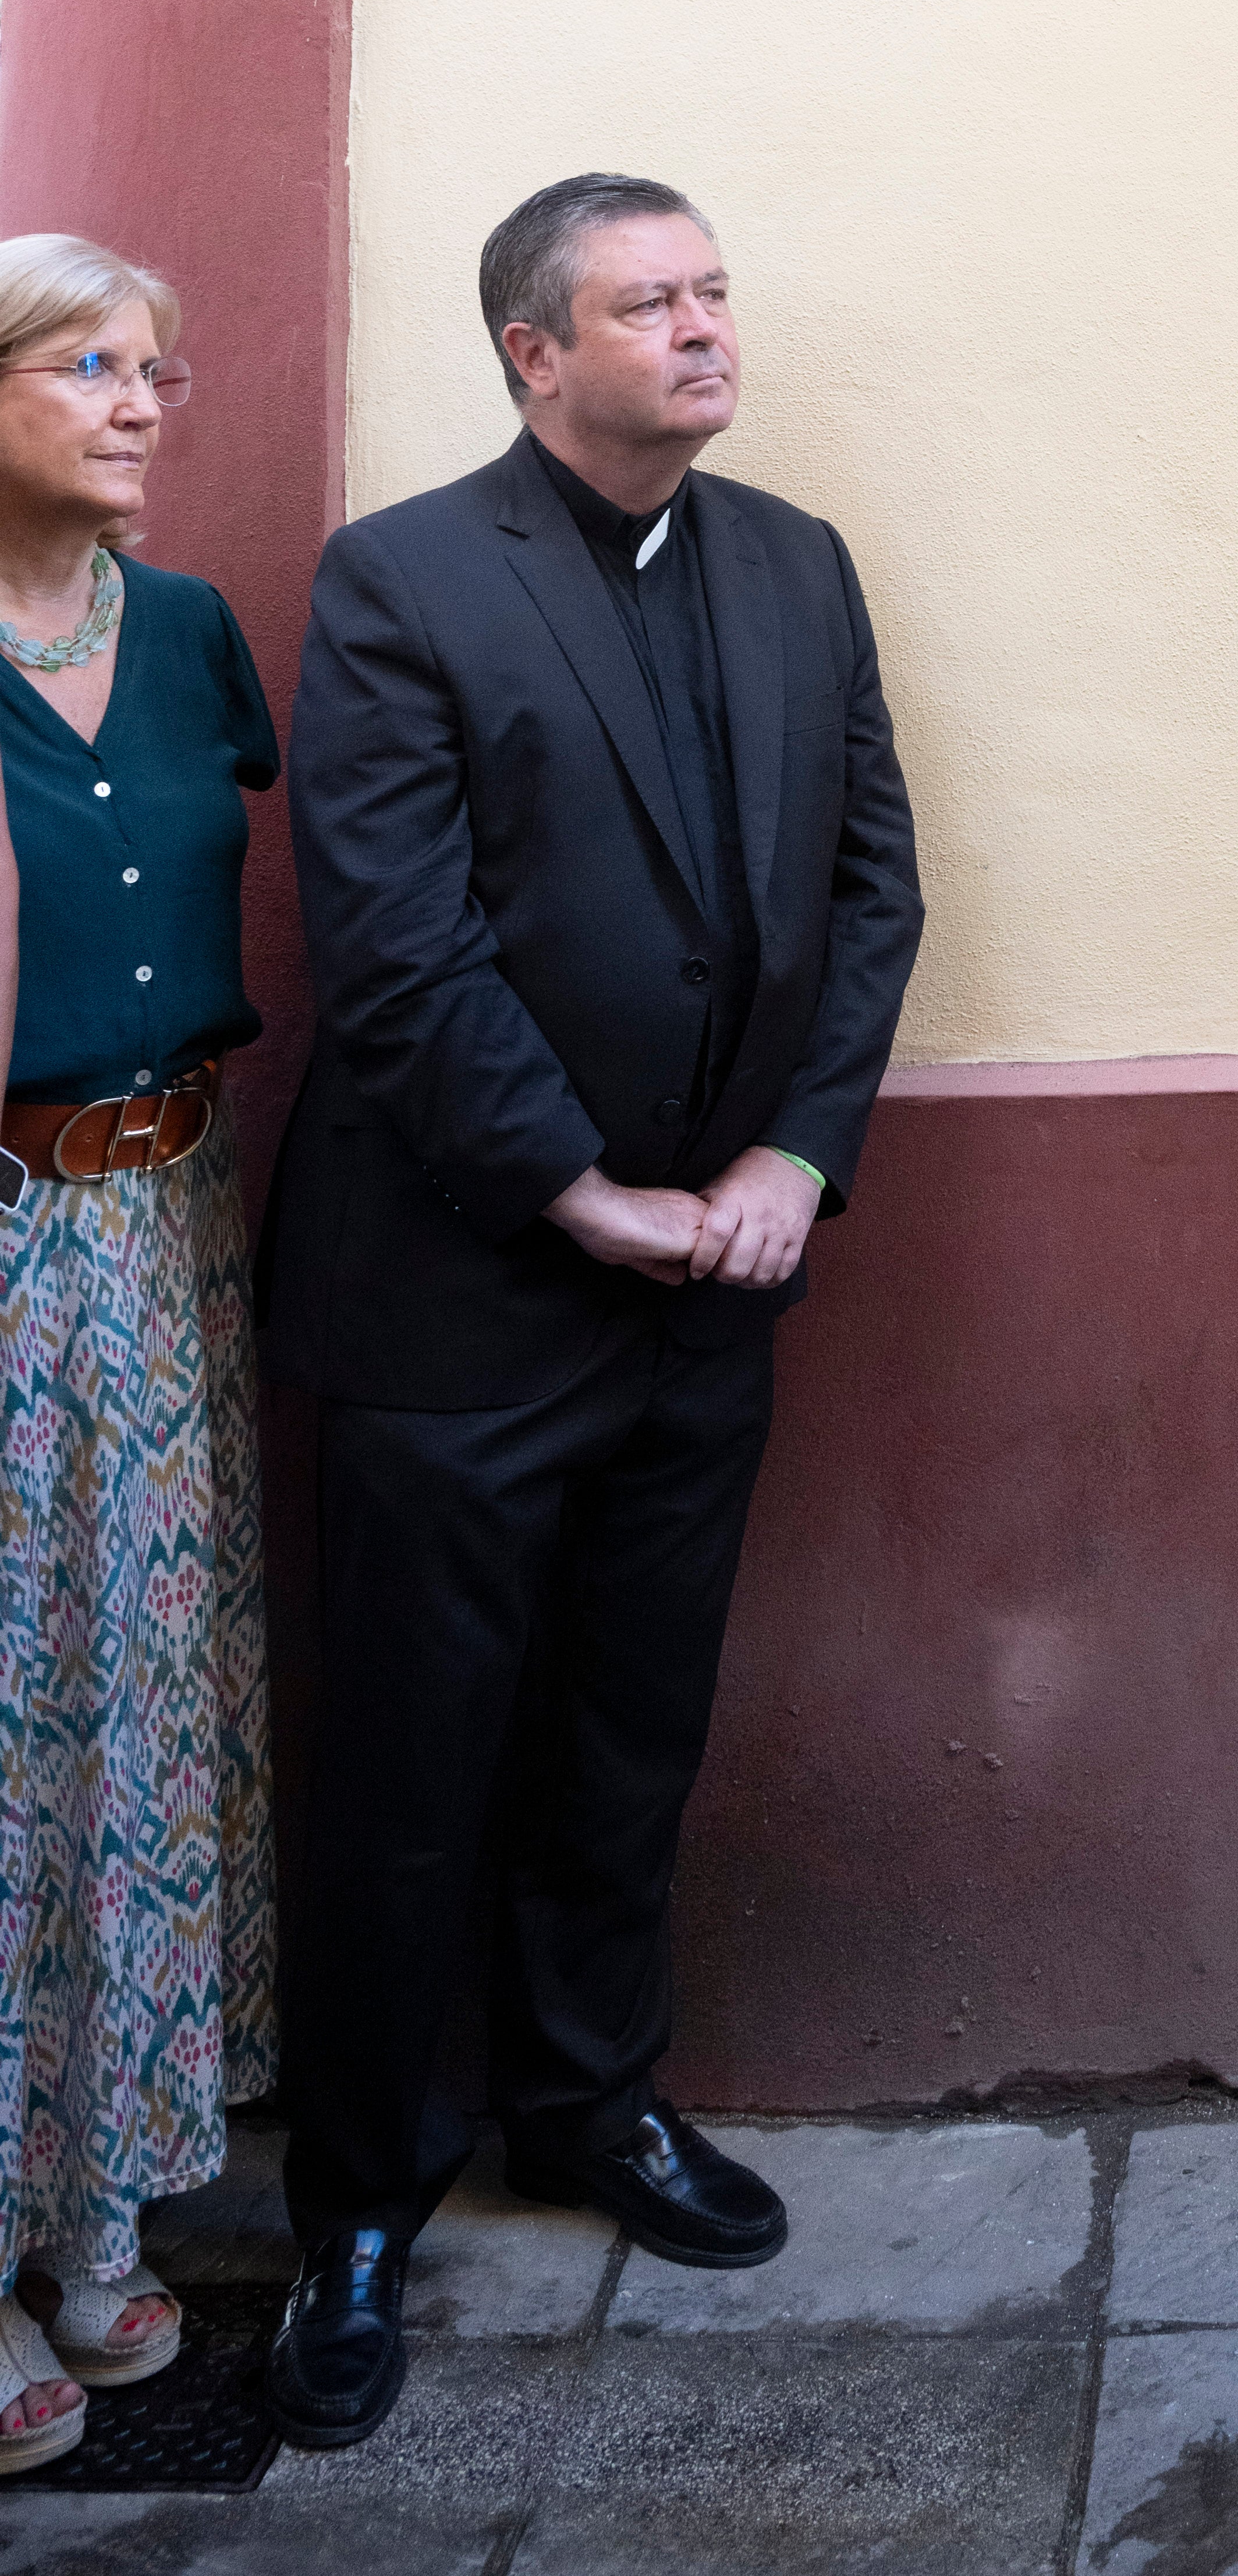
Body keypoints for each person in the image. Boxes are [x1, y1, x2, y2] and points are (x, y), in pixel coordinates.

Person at [258, 176, 924, 2450]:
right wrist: (575, 1189)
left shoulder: (797, 566)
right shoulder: (407, 581)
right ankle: (354, 2201)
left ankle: (589, 2103)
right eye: (649, 304)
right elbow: (397, 943)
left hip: (712, 1287)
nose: (706, 330)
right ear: (534, 354)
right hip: (461, 1290)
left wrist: (782, 1165)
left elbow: (871, 894)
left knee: (630, 1727)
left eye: (718, 290)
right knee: (414, 1760)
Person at [0, 243, 280, 2469]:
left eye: (157, 373)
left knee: (131, 1723)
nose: (142, 404)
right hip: (1, 1238)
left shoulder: (186, 638)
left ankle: (92, 2213)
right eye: (89, 367)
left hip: (168, 1228)